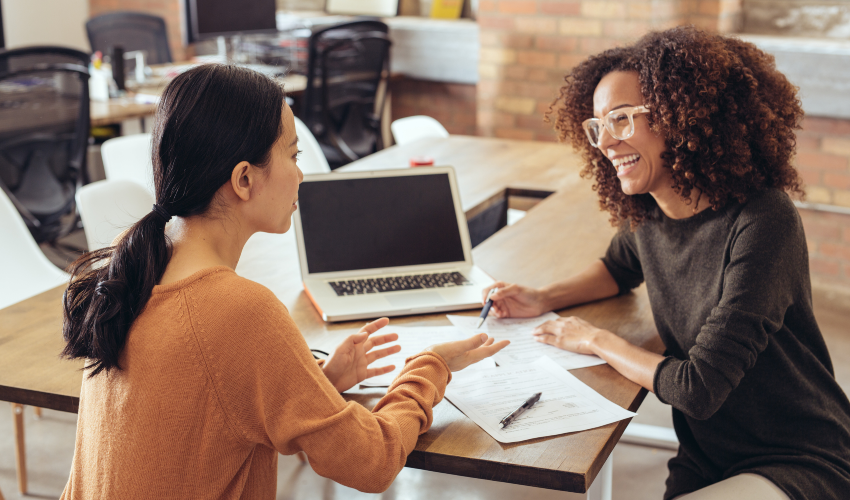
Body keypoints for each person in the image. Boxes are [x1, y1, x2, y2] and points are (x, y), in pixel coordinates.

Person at [60, 64, 508, 499]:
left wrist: (318, 382)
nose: (301, 173)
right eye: (293, 156)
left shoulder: (134, 258)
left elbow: (207, 406)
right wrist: (430, 367)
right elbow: (372, 462)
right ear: (243, 178)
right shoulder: (238, 308)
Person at [482, 26, 850, 500]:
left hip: (797, 454)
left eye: (621, 119)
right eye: (598, 127)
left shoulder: (763, 220)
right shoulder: (651, 212)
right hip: (708, 452)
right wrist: (541, 297)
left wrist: (595, 339)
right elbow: (617, 269)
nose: (607, 143)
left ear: (682, 116)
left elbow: (697, 388)